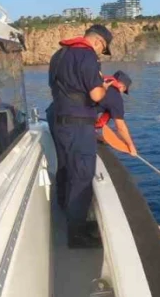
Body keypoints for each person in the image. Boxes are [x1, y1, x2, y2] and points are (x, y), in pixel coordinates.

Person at [46, 24, 115, 248]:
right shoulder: (87, 56)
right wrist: (104, 87)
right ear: (98, 42)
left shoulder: (59, 54)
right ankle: (76, 234)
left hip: (59, 120)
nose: (99, 53)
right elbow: (95, 95)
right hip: (78, 125)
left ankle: (64, 209)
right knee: (83, 175)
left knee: (65, 167)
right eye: (102, 49)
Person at [95, 70, 136, 155]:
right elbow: (120, 127)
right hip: (77, 127)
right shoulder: (116, 99)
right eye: (124, 90)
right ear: (122, 86)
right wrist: (131, 146)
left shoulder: (97, 82)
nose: (121, 93)